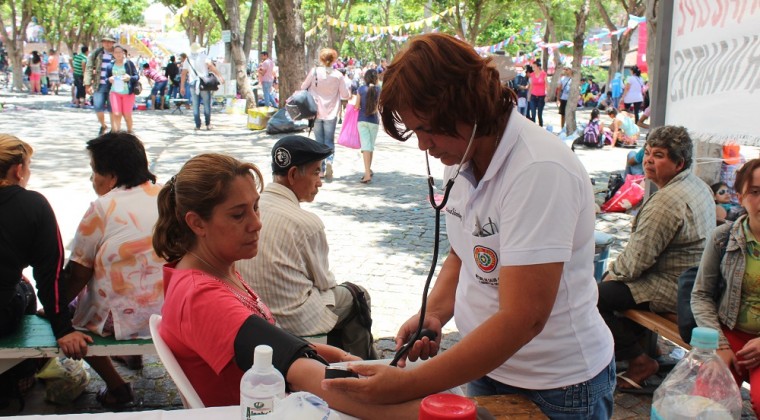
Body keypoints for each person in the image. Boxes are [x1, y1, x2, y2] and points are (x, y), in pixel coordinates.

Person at [322, 33, 615, 418]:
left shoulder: (538, 171)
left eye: (429, 129)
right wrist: (437, 313)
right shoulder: (460, 155)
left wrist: (408, 384)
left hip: (556, 385)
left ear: (468, 107)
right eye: (415, 132)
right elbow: (466, 251)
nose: (424, 146)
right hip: (487, 367)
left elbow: (523, 318)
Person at [152, 153, 418, 417]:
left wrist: (333, 354)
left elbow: (269, 346)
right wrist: (415, 412)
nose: (256, 224)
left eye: (255, 207)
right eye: (237, 215)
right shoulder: (202, 296)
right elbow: (300, 372)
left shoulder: (218, 269)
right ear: (197, 223)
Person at [236, 136, 378, 359]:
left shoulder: (252, 208)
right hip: (294, 319)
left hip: (254, 310)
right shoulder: (306, 223)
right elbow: (325, 282)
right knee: (356, 295)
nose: (320, 181)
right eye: (315, 172)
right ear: (293, 175)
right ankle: (365, 365)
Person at [598, 126, 715, 392]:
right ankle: (634, 351)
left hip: (675, 286)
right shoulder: (695, 184)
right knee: (613, 290)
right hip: (692, 278)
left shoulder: (667, 202)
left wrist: (608, 276)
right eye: (648, 153)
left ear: (679, 163)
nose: (649, 160)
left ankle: (640, 361)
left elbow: (634, 263)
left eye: (659, 155)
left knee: (593, 296)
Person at [60, 132, 165, 406]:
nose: (91, 179)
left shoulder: (102, 207)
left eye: (94, 172)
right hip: (169, 311)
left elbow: (78, 274)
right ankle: (132, 354)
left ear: (113, 176)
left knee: (69, 315)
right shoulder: (169, 196)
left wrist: (55, 305)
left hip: (119, 320)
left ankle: (117, 387)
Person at [692, 159, 760, 415]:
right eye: (755, 192)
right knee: (707, 400)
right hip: (729, 333)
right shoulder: (722, 238)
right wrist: (720, 345)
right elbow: (701, 294)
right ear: (740, 197)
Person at [0, 134, 69, 339]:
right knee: (25, 287)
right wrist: (64, 330)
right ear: (18, 170)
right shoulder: (33, 204)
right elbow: (50, 272)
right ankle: (28, 367)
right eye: (29, 166)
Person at [300, 48, 351, 180]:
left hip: (315, 111)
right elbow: (345, 95)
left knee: (318, 141)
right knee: (328, 140)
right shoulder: (338, 75)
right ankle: (329, 161)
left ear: (321, 58)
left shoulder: (315, 72)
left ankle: (321, 170)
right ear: (334, 59)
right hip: (332, 112)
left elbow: (303, 87)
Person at [180, 43, 225, 131]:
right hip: (204, 83)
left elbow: (183, 74)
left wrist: (182, 86)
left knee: (195, 105)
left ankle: (197, 125)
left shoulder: (187, 59)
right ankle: (208, 124)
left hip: (193, 83)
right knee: (206, 104)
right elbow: (211, 67)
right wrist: (220, 76)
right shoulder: (203, 56)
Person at [84, 36, 116, 136]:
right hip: (99, 84)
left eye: (109, 42)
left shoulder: (117, 53)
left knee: (113, 108)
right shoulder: (96, 53)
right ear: (102, 43)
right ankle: (103, 125)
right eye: (105, 42)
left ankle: (114, 129)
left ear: (113, 43)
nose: (107, 44)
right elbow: (89, 68)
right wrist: (87, 84)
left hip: (113, 86)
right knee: (98, 107)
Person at [105, 45, 138, 133]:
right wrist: (109, 79)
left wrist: (129, 77)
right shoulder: (110, 65)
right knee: (116, 114)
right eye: (116, 52)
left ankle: (130, 132)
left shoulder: (129, 63)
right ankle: (117, 134)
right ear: (113, 54)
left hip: (128, 93)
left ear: (123, 53)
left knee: (127, 115)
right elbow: (106, 79)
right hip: (115, 92)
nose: (118, 54)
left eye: (120, 52)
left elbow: (136, 76)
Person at [356, 69, 381, 184]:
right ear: (376, 78)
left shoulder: (361, 89)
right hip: (374, 121)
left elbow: (357, 106)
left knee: (366, 147)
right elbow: (378, 108)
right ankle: (368, 170)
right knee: (370, 147)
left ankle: (367, 174)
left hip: (362, 120)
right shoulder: (378, 90)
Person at [526, 62, 547, 126]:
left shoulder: (543, 74)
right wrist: (529, 96)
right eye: (532, 67)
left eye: (534, 67)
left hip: (541, 97)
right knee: (533, 113)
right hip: (533, 96)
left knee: (539, 114)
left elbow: (546, 85)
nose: (533, 68)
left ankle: (541, 127)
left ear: (538, 67)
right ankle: (533, 128)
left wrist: (547, 95)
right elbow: (531, 86)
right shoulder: (532, 75)